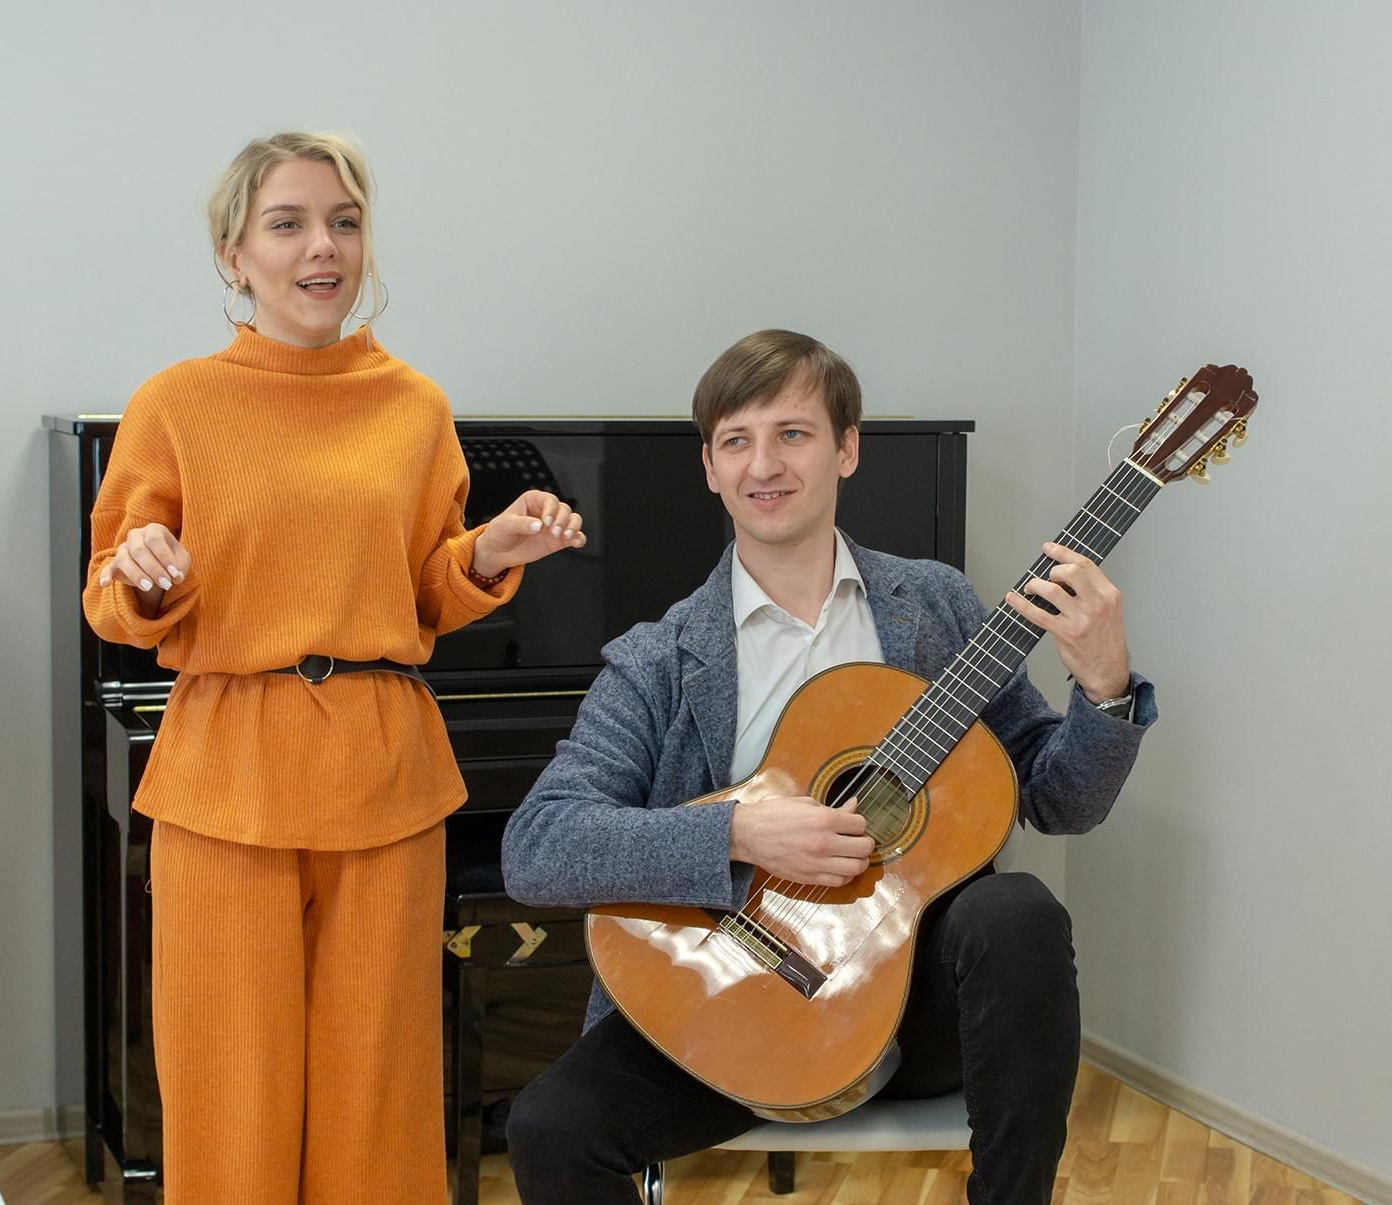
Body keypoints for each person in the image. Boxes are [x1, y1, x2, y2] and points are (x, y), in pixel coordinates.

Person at [500, 328, 1155, 1204]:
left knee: (1016, 908)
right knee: (548, 1127)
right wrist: (739, 832)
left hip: (918, 1003)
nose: (763, 464)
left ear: (846, 449)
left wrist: (1104, 687)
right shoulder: (658, 658)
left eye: (792, 433)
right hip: (728, 1000)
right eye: (736, 440)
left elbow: (1056, 799)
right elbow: (538, 847)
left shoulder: (935, 605)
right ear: (709, 467)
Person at [83, 130, 586, 1204]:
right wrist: (144, 568)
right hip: (225, 775)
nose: (324, 246)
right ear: (233, 254)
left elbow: (424, 592)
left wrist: (488, 552)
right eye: (289, 223)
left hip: (381, 771)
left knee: (378, 1093)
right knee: (231, 1091)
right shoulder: (173, 403)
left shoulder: (415, 407)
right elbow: (111, 594)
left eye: (344, 223)